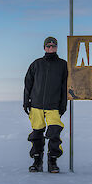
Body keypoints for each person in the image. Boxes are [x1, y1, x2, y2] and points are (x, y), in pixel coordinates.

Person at [23, 36, 68, 173]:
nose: (50, 48)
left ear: (56, 48)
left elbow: (65, 86)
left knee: (54, 133)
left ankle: (52, 161)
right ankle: (37, 161)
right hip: (36, 105)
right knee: (37, 134)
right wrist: (26, 101)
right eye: (48, 46)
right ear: (44, 48)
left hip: (53, 106)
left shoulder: (63, 65)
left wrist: (63, 104)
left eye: (53, 46)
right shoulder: (36, 64)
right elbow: (28, 84)